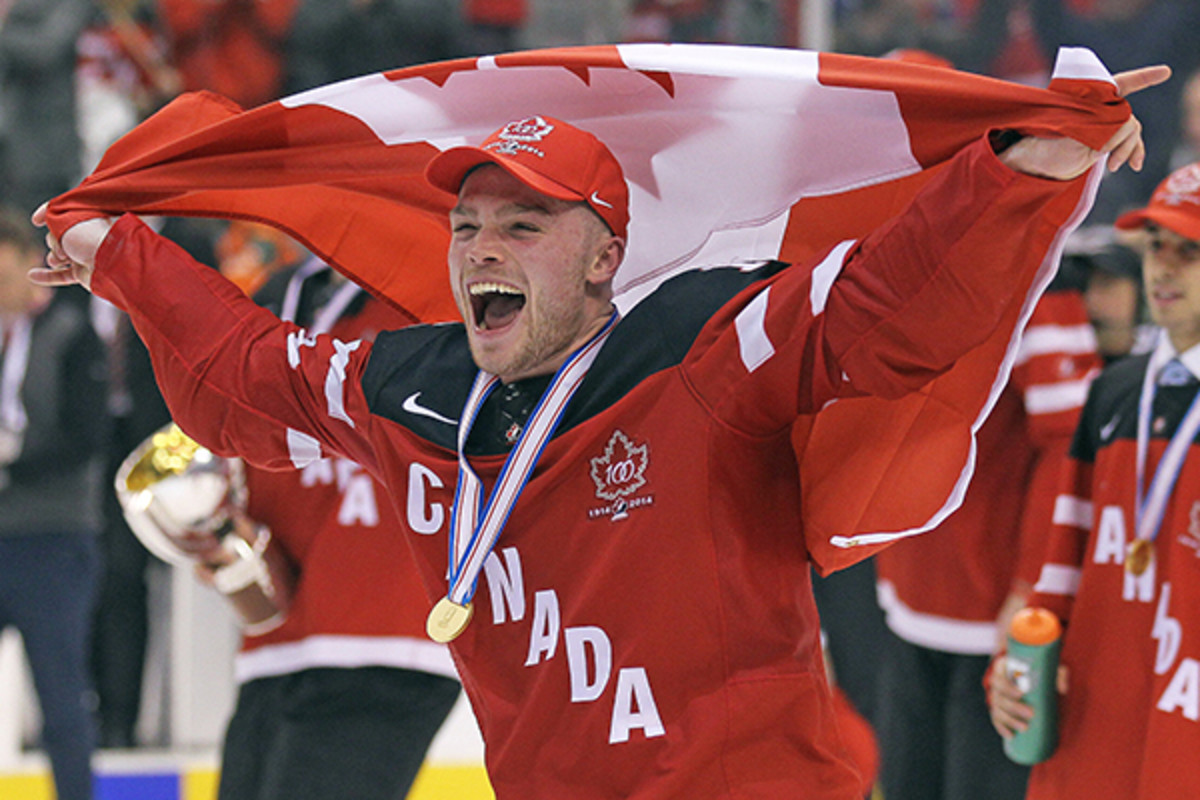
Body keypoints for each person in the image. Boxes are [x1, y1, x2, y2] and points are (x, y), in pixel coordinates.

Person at [33, 64, 1165, 798]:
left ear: (604, 256)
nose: (481, 248)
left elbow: (885, 298)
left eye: (525, 225)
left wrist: (1030, 166)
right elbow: (244, 362)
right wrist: (104, 249)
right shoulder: (413, 390)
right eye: (467, 224)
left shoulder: (698, 349)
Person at [988, 160, 1200, 798]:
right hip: (1095, 737)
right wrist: (1013, 664)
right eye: (1155, 246)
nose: (1162, 268)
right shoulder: (1112, 395)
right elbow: (1061, 573)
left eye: (1189, 251)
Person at [871, 278, 1101, 800]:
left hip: (996, 625)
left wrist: (1032, 586)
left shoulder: (1035, 288)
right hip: (907, 599)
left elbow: (1073, 444)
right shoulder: (905, 268)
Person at [0, 207, 107, 799]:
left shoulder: (71, 333)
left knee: (61, 695)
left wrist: (14, 460)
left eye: (5, 276)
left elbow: (88, 438)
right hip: (8, 533)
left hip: (53, 540)